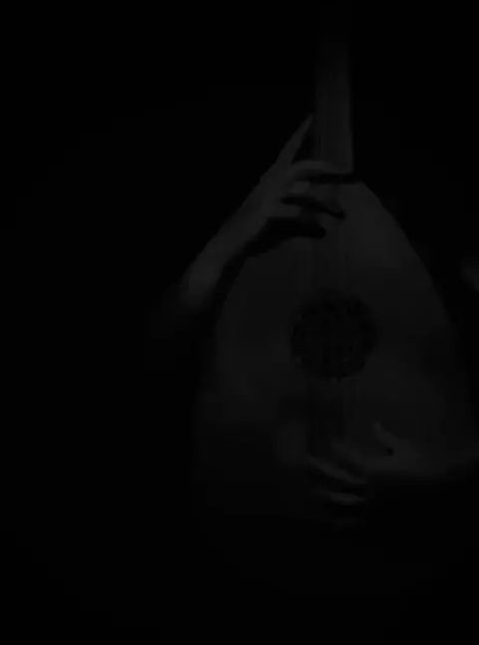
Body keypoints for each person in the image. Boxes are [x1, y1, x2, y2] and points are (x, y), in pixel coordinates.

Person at [145, 115, 479, 550]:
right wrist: (222, 248)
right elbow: (143, 386)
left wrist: (452, 478)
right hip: (241, 535)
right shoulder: (261, 174)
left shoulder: (442, 186)